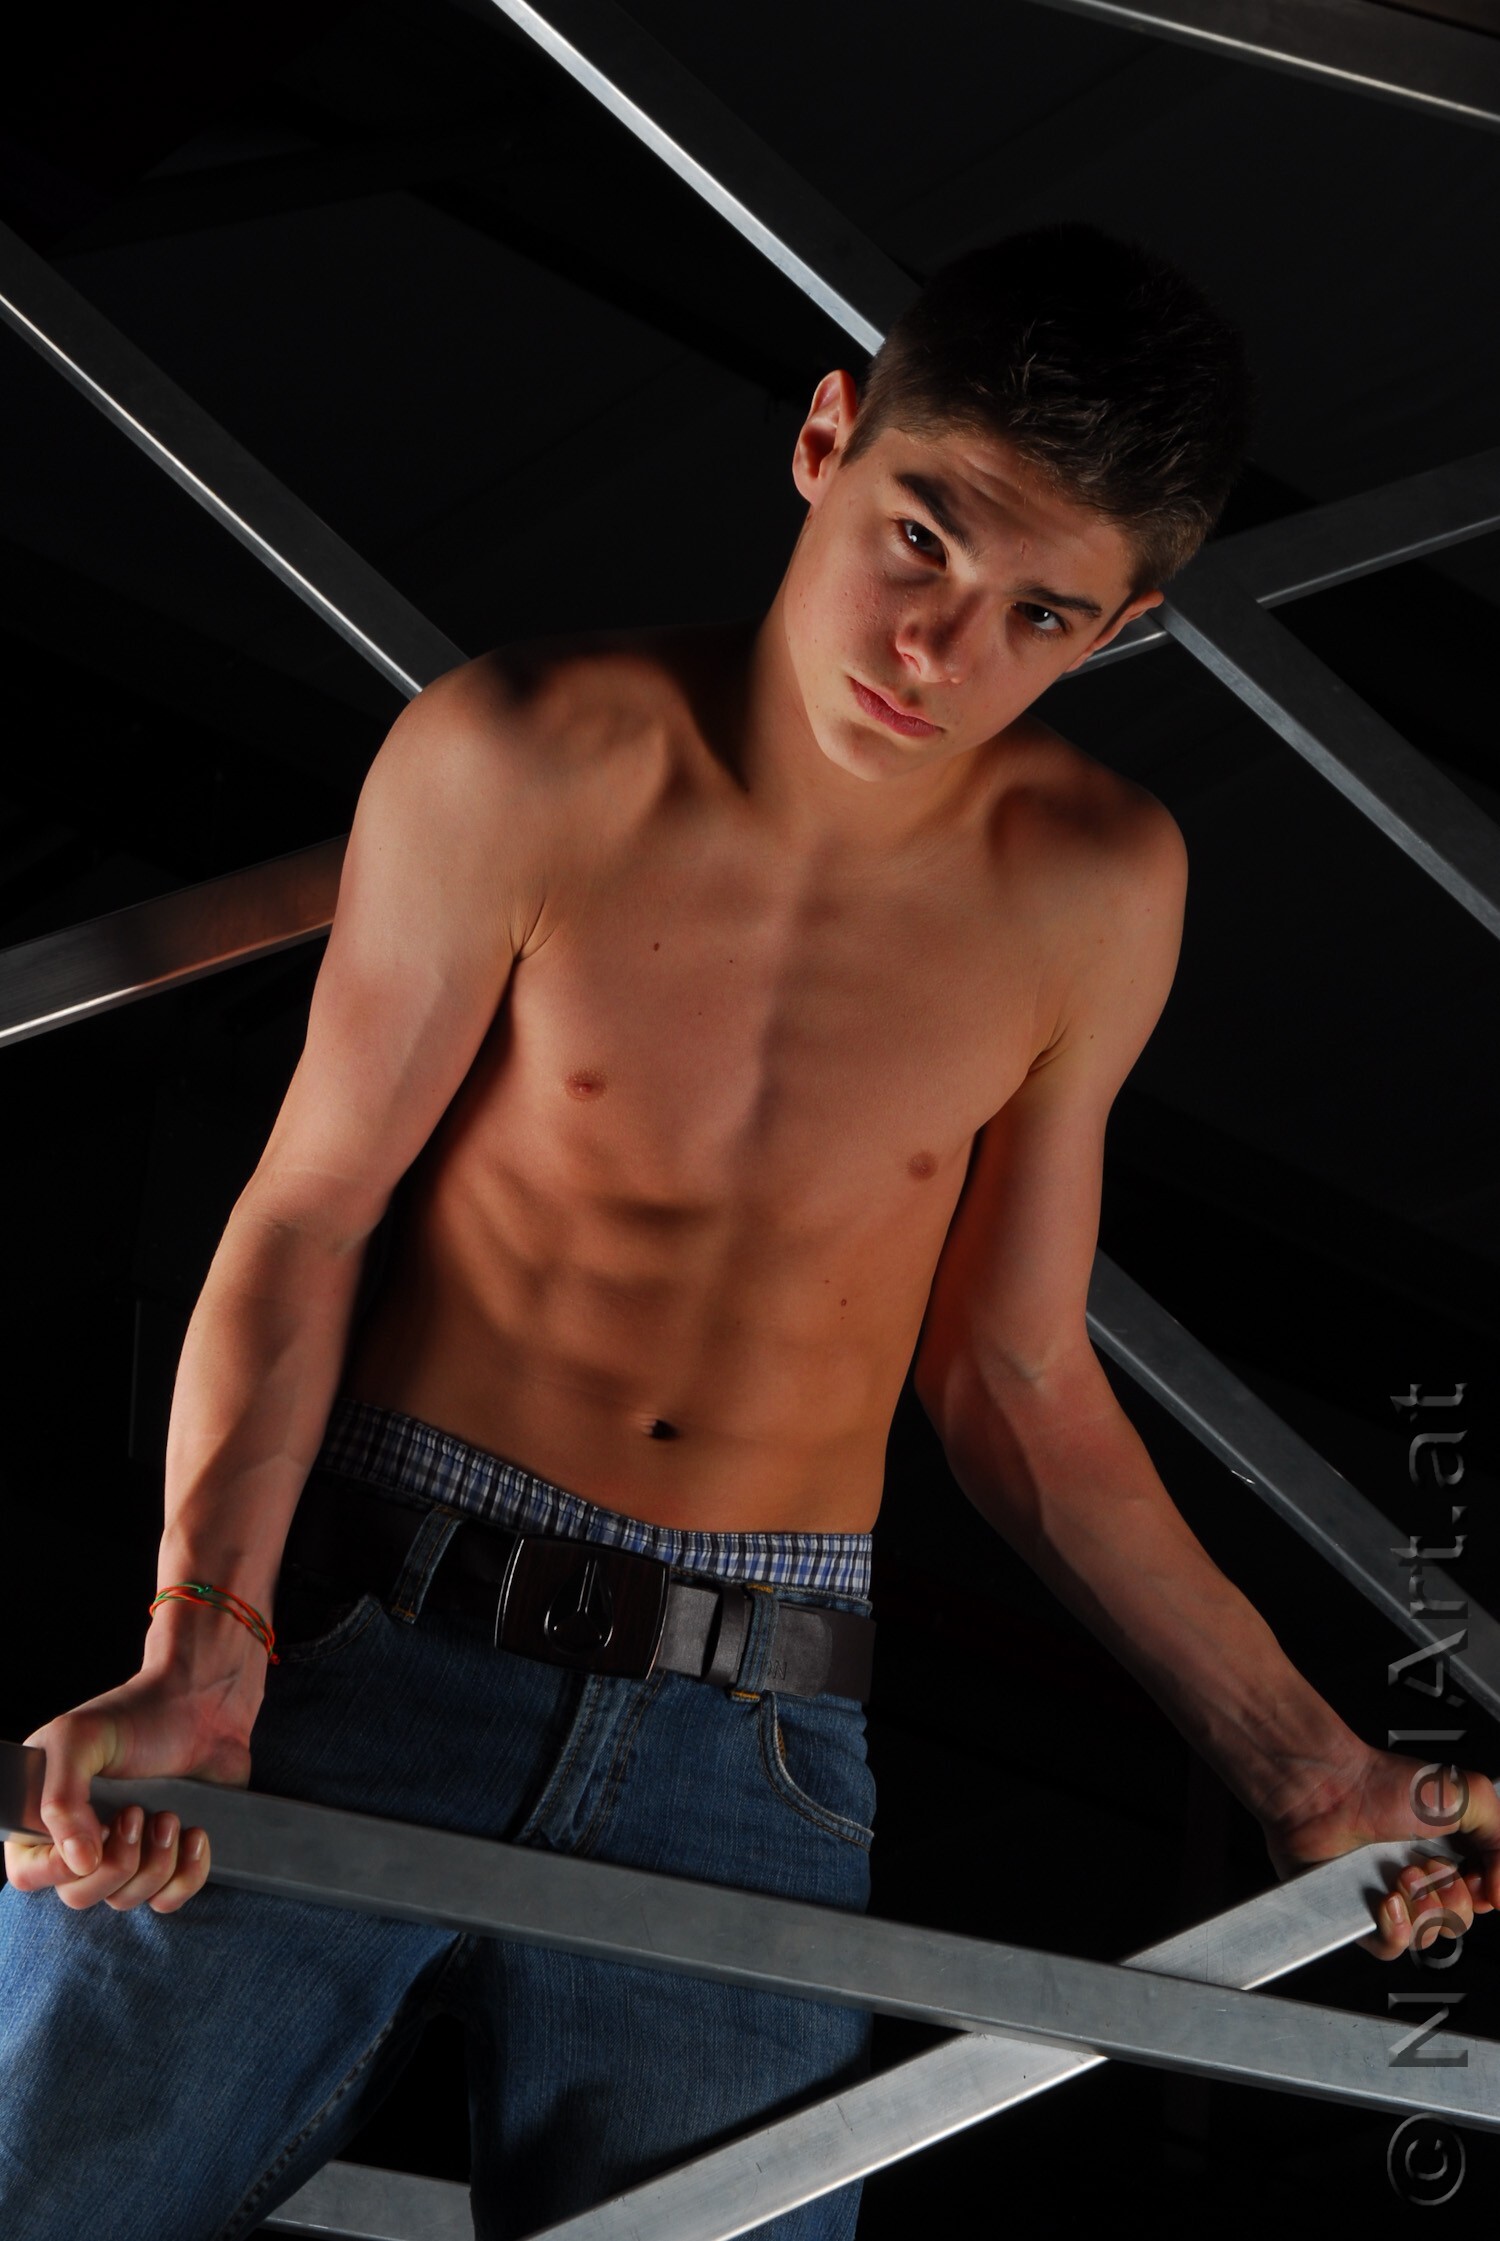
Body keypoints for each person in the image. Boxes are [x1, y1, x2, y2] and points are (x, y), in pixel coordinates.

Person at [2, 223, 1495, 2240]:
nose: (938, 649)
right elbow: (309, 1211)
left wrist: (1310, 1763)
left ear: (1124, 625)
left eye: (1038, 614)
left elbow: (1014, 1375)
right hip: (371, 1641)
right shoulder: (524, 751)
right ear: (823, 440)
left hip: (761, 1744)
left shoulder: (1099, 883)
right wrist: (204, 1647)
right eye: (920, 540)